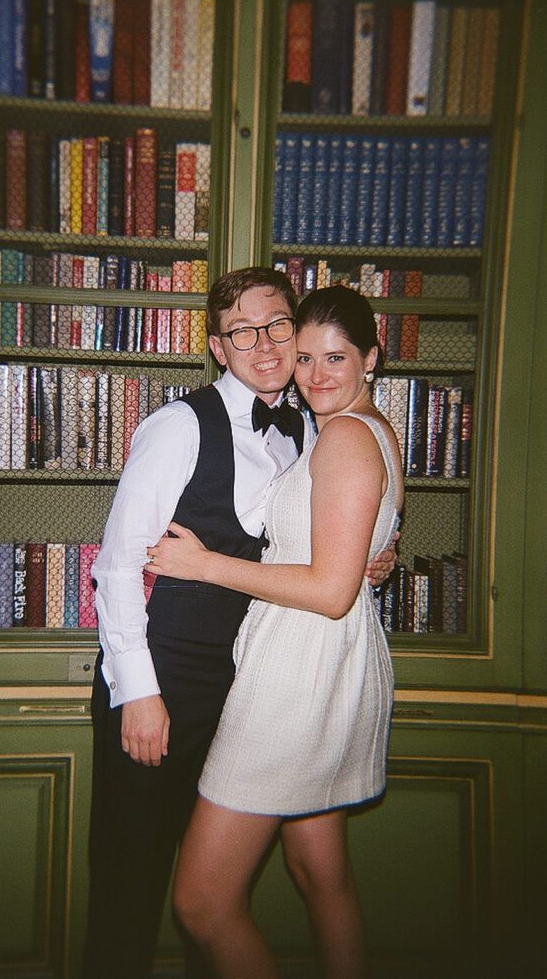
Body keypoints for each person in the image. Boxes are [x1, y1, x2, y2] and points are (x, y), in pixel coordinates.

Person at [82, 269, 396, 979]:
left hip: (252, 684)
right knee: (131, 882)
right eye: (242, 332)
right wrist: (139, 692)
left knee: (213, 897)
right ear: (218, 348)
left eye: (278, 325)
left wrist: (375, 551)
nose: (264, 345)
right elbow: (117, 564)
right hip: (167, 681)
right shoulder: (176, 426)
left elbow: (324, 540)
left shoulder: (310, 427)